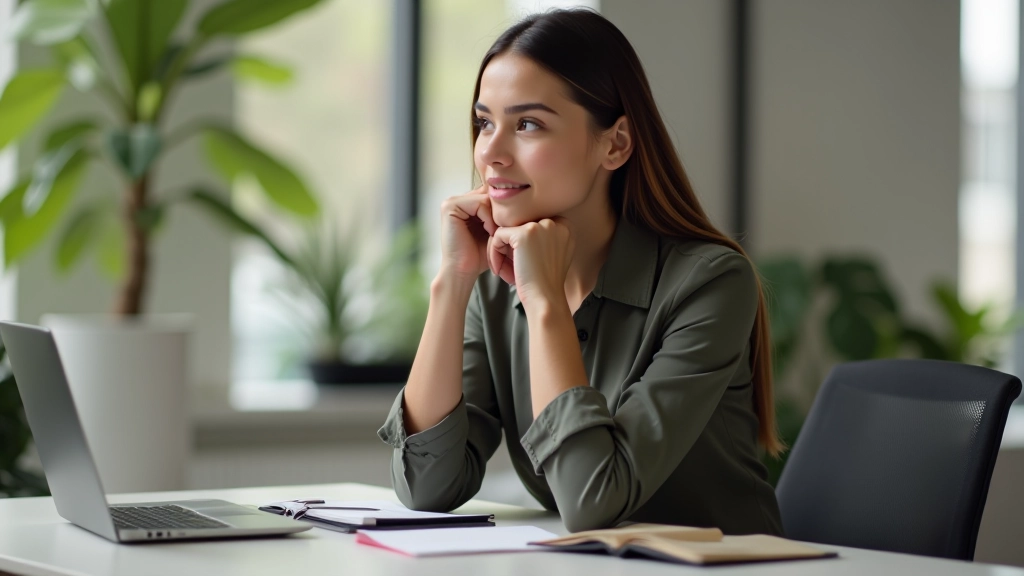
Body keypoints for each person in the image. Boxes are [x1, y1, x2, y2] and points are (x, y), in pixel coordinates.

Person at [378, 7, 783, 535]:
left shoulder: (709, 283)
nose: (490, 154)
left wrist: (545, 303)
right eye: (484, 123)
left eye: (527, 124)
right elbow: (427, 486)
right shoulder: (495, 287)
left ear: (614, 144)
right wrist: (453, 283)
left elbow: (593, 499)